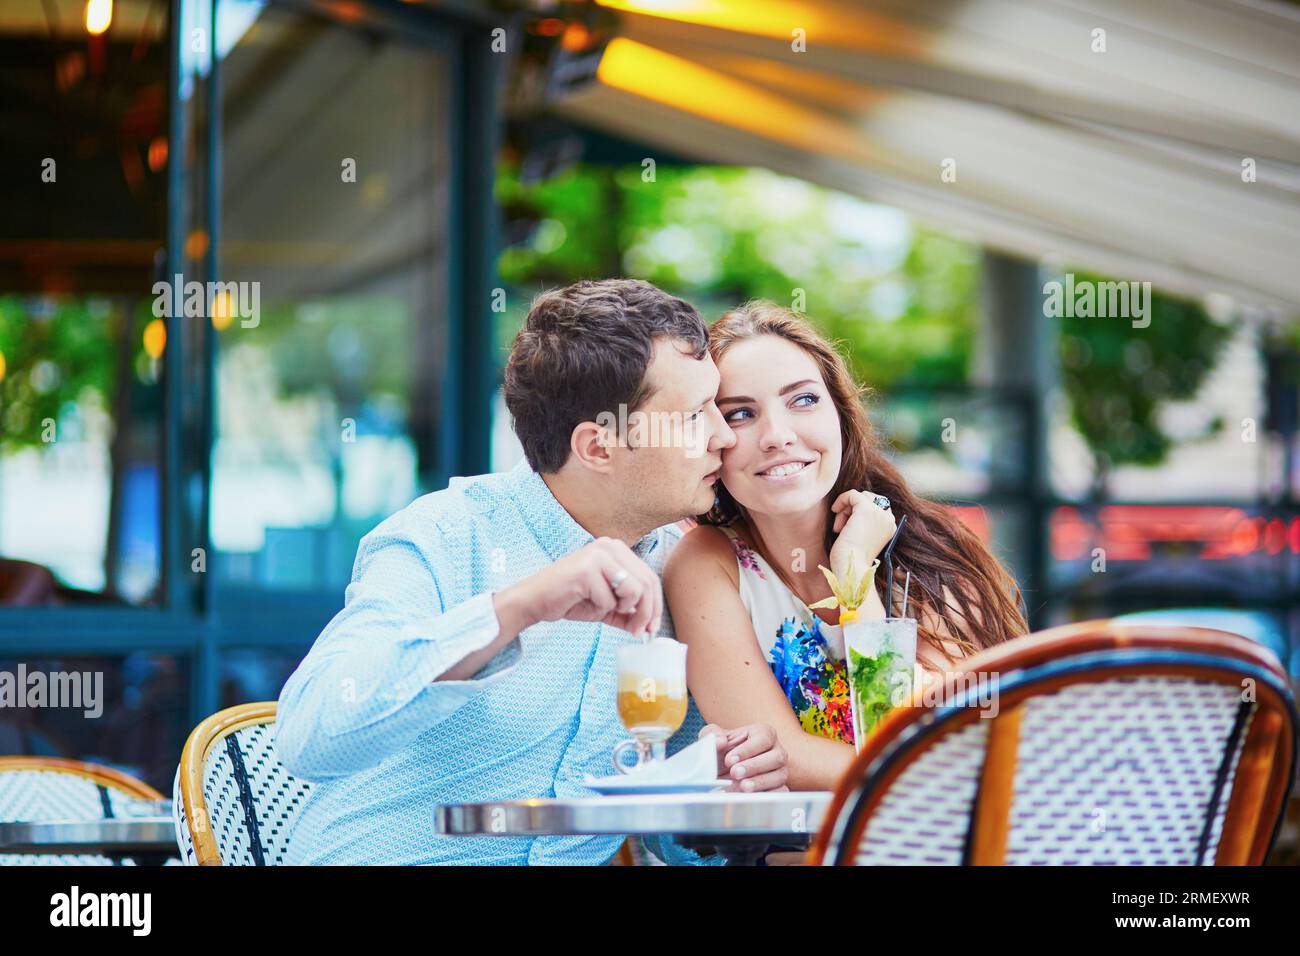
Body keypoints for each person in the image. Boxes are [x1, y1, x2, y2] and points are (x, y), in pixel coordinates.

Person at [275, 280, 789, 865]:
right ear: (598, 447)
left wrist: (707, 789)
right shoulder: (444, 535)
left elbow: (669, 844)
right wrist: (520, 607)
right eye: (695, 417)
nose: (724, 438)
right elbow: (308, 738)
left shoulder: (687, 568)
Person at [664, 300, 1028, 795]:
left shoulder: (929, 553)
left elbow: (940, 750)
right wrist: (905, 765)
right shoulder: (705, 564)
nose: (778, 436)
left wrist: (855, 574)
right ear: (713, 438)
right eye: (742, 413)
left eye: (804, 400)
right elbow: (907, 759)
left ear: (841, 413)